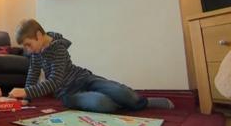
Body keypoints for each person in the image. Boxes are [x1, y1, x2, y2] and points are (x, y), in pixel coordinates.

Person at [9, 19, 174, 113]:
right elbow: (33, 74)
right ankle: (122, 104)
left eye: (28, 45)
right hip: (67, 93)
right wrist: (25, 98)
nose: (27, 50)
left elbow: (54, 80)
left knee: (120, 91)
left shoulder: (58, 47)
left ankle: (141, 102)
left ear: (38, 35)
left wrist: (25, 91)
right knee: (103, 104)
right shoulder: (36, 54)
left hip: (84, 78)